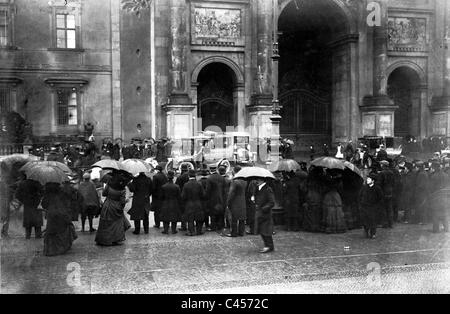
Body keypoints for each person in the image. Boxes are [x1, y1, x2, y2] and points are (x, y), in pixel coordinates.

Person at [95, 172, 131, 246]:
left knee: (105, 223)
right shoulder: (122, 189)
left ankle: (103, 239)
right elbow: (122, 201)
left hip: (107, 205)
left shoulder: (109, 185)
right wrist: (126, 201)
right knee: (116, 224)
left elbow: (104, 194)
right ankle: (114, 239)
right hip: (116, 207)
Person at [42, 183, 77, 256]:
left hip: (51, 214)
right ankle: (62, 248)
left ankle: (51, 250)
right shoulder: (62, 192)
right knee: (62, 230)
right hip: (62, 213)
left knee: (51, 231)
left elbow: (44, 204)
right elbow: (68, 201)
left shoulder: (47, 193)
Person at [251, 177, 275, 253]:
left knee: (266, 230)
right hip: (259, 212)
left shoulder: (268, 189)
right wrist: (254, 199)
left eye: (258, 180)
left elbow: (271, 202)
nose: (257, 181)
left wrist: (264, 209)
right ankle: (267, 245)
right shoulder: (258, 188)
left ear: (262, 180)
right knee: (262, 230)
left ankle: (269, 246)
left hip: (265, 213)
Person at [224, 166, 247, 237]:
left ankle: (233, 233)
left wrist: (227, 203)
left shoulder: (234, 182)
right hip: (242, 202)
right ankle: (241, 232)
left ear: (234, 171)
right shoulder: (245, 181)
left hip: (235, 202)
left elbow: (231, 193)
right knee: (242, 218)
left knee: (234, 218)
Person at [359, 173, 384, 239]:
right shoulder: (364, 187)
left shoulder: (377, 188)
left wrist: (377, 206)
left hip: (373, 207)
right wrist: (361, 204)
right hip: (365, 207)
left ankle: (373, 233)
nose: (367, 180)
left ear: (373, 180)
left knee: (373, 221)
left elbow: (380, 198)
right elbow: (360, 196)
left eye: (369, 179)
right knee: (365, 220)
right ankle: (366, 231)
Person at [181, 169, 205, 236]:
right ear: (195, 175)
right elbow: (203, 195)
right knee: (198, 218)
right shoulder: (199, 184)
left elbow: (183, 196)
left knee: (190, 219)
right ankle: (199, 231)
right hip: (198, 203)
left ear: (189, 176)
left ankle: (191, 231)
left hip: (189, 204)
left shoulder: (186, 185)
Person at [206, 166, 227, 232]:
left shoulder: (209, 178)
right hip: (221, 198)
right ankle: (220, 226)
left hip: (212, 199)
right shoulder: (221, 178)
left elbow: (208, 190)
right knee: (220, 213)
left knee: (213, 214)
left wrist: (207, 198)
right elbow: (225, 190)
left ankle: (213, 226)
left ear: (210, 170)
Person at [377, 160, 395, 228]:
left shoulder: (381, 173)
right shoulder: (391, 172)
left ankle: (385, 223)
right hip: (390, 192)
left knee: (383, 208)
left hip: (383, 192)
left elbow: (379, 183)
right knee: (389, 208)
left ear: (383, 165)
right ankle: (390, 223)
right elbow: (393, 183)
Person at [151, 165, 168, 229]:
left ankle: (157, 224)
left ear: (157, 170)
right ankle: (164, 224)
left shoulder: (155, 176)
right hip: (164, 196)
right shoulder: (165, 176)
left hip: (157, 197)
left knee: (157, 211)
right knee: (163, 210)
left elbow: (153, 187)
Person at [175, 164, 190, 231]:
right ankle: (190, 224)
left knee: (183, 212)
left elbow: (176, 187)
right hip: (190, 196)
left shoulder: (180, 177)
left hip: (182, 196)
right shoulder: (189, 176)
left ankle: (183, 226)